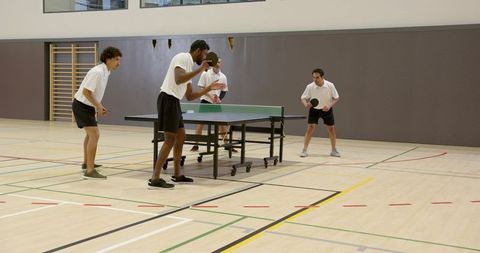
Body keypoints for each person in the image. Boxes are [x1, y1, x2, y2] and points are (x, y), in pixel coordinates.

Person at [149, 40, 225, 189]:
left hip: (175, 102)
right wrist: (201, 69)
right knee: (169, 139)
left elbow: (190, 95)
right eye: (204, 54)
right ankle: (155, 177)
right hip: (167, 99)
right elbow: (178, 79)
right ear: (197, 51)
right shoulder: (182, 57)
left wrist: (208, 88)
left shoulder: (188, 66)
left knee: (181, 136)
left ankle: (177, 175)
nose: (204, 58)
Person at [72, 46, 122, 179]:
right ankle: (90, 170)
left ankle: (86, 163)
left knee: (90, 135)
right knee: (95, 134)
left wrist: (98, 106)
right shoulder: (97, 72)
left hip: (88, 106)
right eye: (116, 59)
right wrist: (98, 105)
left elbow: (93, 93)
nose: (119, 63)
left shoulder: (107, 71)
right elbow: (86, 92)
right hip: (81, 105)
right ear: (108, 59)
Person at [190, 58, 237, 153]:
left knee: (222, 125)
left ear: (221, 63)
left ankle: (226, 145)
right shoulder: (205, 73)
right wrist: (210, 96)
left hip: (216, 103)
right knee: (200, 124)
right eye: (216, 62)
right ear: (213, 63)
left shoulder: (223, 77)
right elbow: (200, 88)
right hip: (205, 101)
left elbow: (224, 91)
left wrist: (219, 98)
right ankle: (196, 145)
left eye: (219, 61)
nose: (218, 63)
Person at [300, 68, 340, 158]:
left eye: (317, 77)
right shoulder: (310, 86)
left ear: (322, 77)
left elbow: (336, 97)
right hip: (314, 110)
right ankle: (304, 150)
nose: (315, 80)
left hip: (327, 109)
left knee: (331, 129)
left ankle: (334, 150)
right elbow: (303, 97)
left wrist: (329, 106)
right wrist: (306, 104)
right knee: (310, 128)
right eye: (313, 77)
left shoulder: (330, 85)